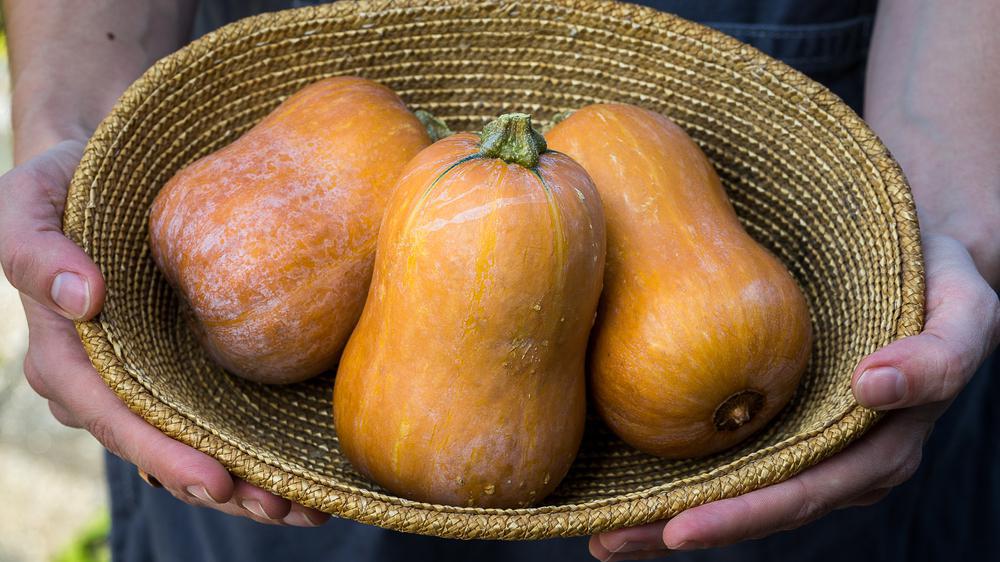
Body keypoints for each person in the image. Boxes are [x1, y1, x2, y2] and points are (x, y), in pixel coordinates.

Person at [0, 1, 996, 560]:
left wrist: (951, 207)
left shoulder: (550, 188)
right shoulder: (451, 175)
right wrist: (68, 123)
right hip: (284, 478)